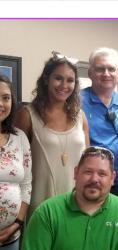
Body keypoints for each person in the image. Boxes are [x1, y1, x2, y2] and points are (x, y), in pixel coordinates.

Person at [15, 52, 89, 217]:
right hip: (39, 203)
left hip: (75, 203)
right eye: (58, 78)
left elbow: (87, 161)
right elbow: (16, 165)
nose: (64, 85)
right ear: (46, 79)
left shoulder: (80, 116)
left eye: (70, 80)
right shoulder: (27, 115)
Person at [22, 146, 118, 250]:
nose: (94, 179)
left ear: (112, 178)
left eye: (102, 174)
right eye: (88, 172)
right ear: (76, 173)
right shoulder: (47, 213)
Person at [81, 47, 118, 204]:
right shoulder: (77, 102)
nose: (106, 73)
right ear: (90, 73)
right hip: (91, 182)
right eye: (100, 69)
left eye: (111, 69)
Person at [0, 75, 32, 249]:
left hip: (11, 238)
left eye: (5, 98)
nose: (1, 104)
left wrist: (17, 222)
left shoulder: (19, 138)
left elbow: (26, 185)